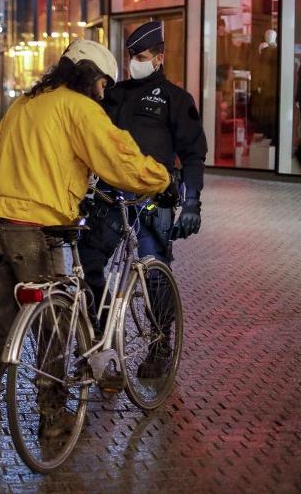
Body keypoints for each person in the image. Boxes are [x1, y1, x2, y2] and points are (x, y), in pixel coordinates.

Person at [0, 40, 178, 435]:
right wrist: (162, 180)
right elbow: (120, 159)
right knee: (53, 325)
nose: (104, 93)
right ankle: (52, 415)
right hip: (37, 231)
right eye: (102, 84)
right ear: (89, 76)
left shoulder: (25, 103)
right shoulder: (78, 107)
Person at [78, 21, 207, 378]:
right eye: (131, 55)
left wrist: (192, 202)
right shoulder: (113, 94)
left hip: (153, 203)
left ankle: (159, 345)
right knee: (88, 265)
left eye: (141, 55)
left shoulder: (176, 100)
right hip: (108, 199)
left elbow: (194, 154)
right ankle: (100, 337)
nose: (134, 60)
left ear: (159, 58)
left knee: (154, 276)